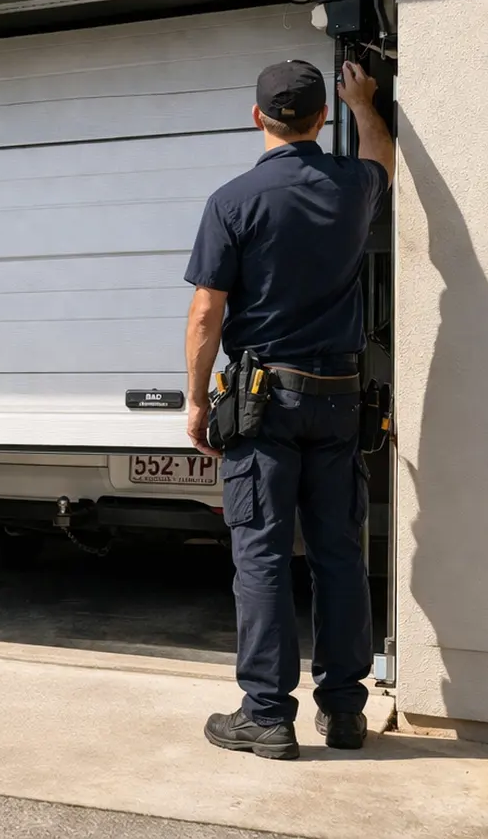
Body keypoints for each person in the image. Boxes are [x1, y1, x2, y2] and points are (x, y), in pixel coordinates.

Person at [181, 59, 395, 760]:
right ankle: (343, 713)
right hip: (336, 402)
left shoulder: (233, 200)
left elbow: (207, 310)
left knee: (263, 556)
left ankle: (267, 717)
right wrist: (363, 102)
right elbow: (380, 159)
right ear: (319, 119)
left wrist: (192, 399)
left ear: (255, 118)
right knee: (337, 555)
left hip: (260, 405)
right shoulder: (352, 186)